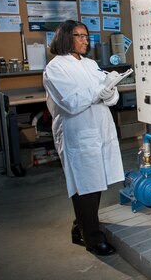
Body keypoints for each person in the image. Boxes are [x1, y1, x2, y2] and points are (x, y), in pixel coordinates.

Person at [43, 20, 124, 256]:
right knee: (84, 185)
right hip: (76, 130)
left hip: (98, 126)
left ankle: (79, 227)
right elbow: (70, 101)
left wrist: (109, 91)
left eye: (86, 36)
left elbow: (110, 95)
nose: (85, 40)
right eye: (79, 36)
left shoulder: (90, 64)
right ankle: (92, 238)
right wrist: (99, 92)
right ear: (65, 38)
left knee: (95, 182)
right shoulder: (55, 68)